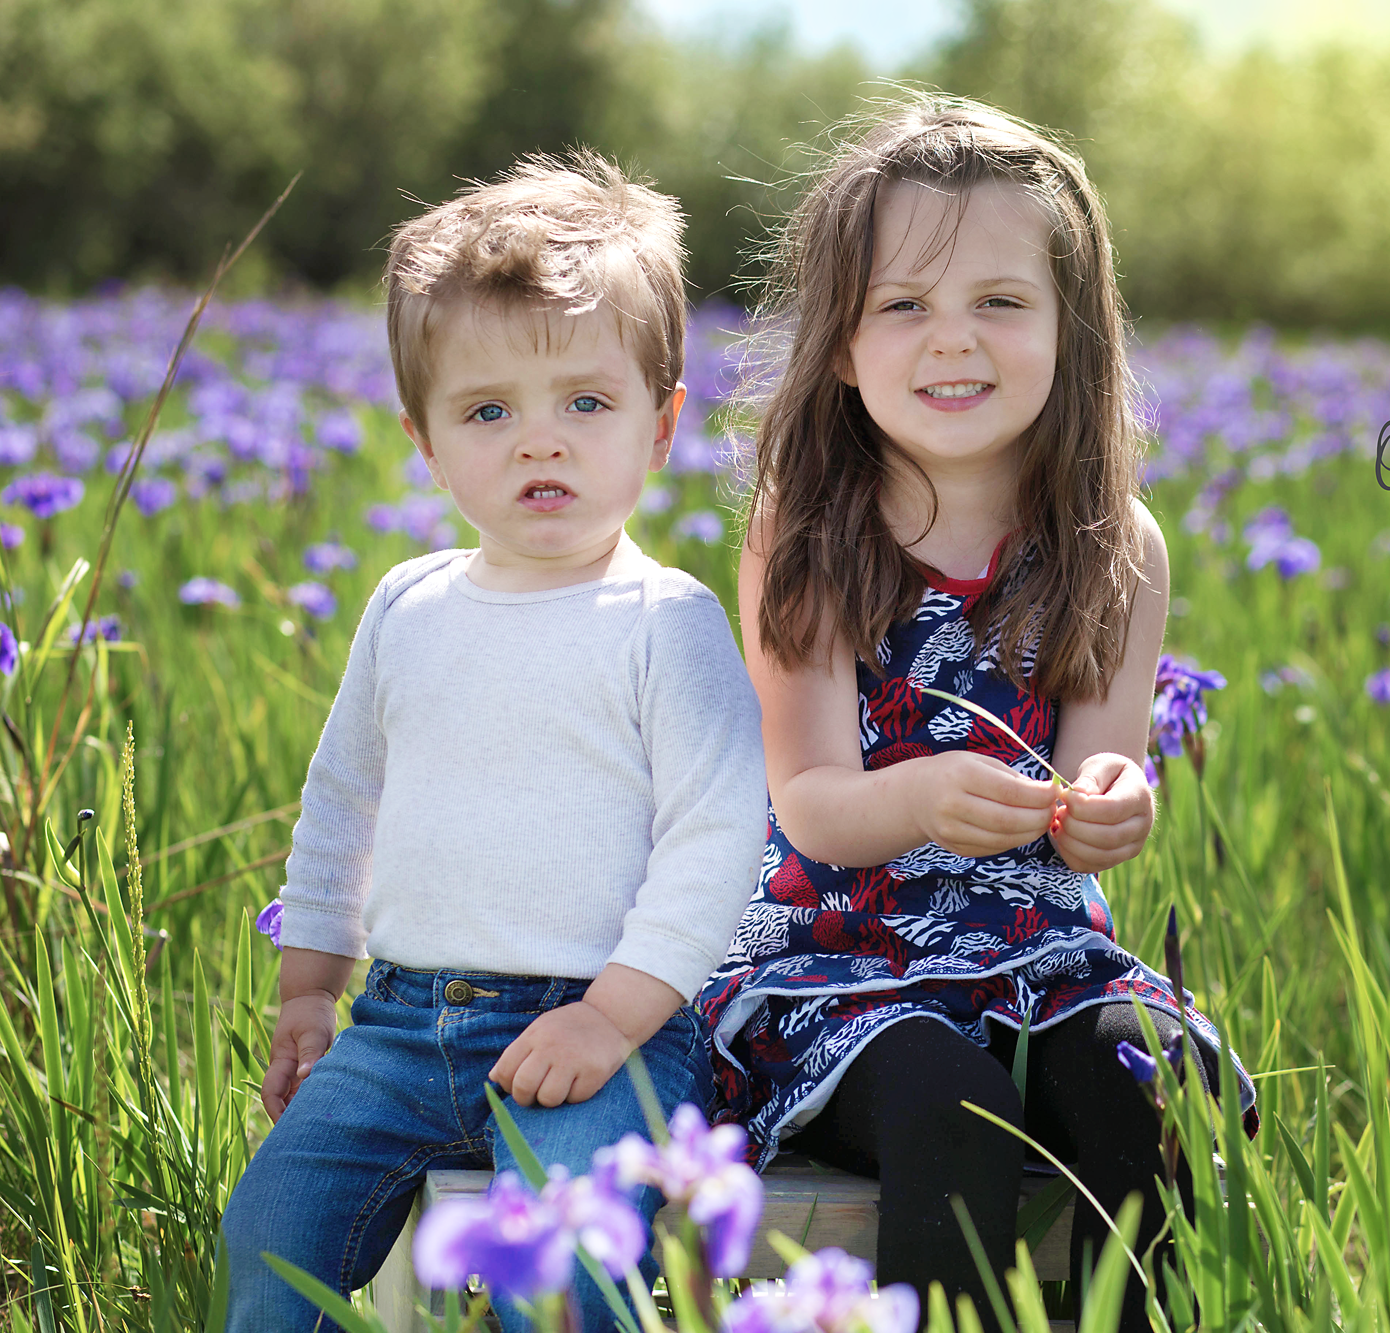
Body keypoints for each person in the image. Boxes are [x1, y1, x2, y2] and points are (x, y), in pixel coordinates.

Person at [695, 98, 1256, 1332]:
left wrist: (1111, 804)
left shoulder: (1117, 546)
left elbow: (1098, 767)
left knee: (1159, 1085)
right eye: (903, 305)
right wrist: (918, 799)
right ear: (839, 346)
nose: (953, 341)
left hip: (1040, 951)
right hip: (840, 966)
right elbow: (813, 805)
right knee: (954, 1111)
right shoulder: (807, 531)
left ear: (1073, 330)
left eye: (1000, 301)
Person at [220, 152, 768, 1332]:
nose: (540, 442)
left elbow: (717, 835)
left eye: (585, 401)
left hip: (603, 1025)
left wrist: (613, 1014)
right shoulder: (404, 606)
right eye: (487, 411)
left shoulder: (666, 620)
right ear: (424, 439)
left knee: (567, 1269)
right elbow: (340, 802)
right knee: (272, 1222)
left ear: (661, 424)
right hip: (400, 1026)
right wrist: (309, 989)